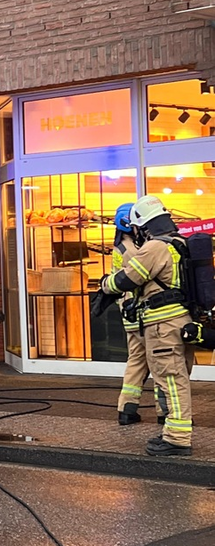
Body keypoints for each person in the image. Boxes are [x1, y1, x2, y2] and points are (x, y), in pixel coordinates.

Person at [101, 195, 195, 456]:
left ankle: (177, 438)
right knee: (175, 378)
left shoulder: (155, 247)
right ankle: (173, 430)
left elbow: (130, 278)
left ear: (144, 225)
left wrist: (105, 285)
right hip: (181, 322)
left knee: (171, 381)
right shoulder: (180, 243)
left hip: (162, 326)